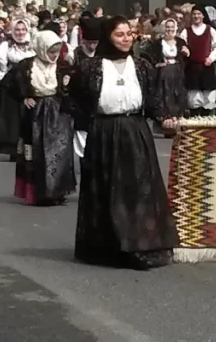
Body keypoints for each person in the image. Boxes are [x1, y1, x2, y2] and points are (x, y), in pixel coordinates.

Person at [71, 15, 179, 270]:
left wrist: (164, 117)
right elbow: (74, 99)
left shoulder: (141, 66)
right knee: (107, 190)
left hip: (134, 132)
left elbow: (152, 98)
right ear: (108, 37)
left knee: (137, 190)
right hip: (103, 133)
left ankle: (139, 245)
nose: (126, 39)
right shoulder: (90, 67)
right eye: (119, 34)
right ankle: (110, 246)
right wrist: (91, 123)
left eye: (129, 34)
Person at [14, 30, 75, 206]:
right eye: (50, 51)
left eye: (56, 51)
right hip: (36, 115)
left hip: (58, 114)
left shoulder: (63, 66)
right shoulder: (26, 66)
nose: (54, 55)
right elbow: (10, 83)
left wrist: (67, 86)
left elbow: (73, 89)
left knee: (59, 153)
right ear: (41, 49)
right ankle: (39, 192)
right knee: (38, 152)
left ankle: (58, 191)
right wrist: (24, 97)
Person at [0, 18, 35, 159]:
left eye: (23, 29)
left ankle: (27, 149)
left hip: (29, 85)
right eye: (17, 29)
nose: (20, 32)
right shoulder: (6, 45)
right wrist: (2, 76)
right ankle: (12, 149)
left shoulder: (33, 45)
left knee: (27, 116)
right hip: (10, 87)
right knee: (11, 117)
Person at [143, 17, 190, 125]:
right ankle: (165, 117)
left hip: (177, 71)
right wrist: (157, 64)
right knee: (164, 93)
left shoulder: (181, 42)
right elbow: (150, 57)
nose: (170, 29)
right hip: (163, 72)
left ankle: (177, 116)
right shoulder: (158, 43)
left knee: (177, 93)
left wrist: (187, 53)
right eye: (168, 27)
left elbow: (187, 57)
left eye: (172, 27)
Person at [179, 5, 216, 116]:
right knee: (194, 98)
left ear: (203, 15)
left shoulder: (210, 30)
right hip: (192, 69)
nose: (196, 16)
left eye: (198, 14)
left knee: (208, 98)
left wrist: (211, 58)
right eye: (194, 14)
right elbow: (182, 46)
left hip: (207, 68)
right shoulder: (186, 32)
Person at [69, 16, 101, 157]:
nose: (92, 46)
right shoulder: (74, 54)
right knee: (82, 137)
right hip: (80, 103)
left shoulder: (102, 55)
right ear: (83, 41)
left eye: (95, 43)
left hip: (98, 102)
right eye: (90, 43)